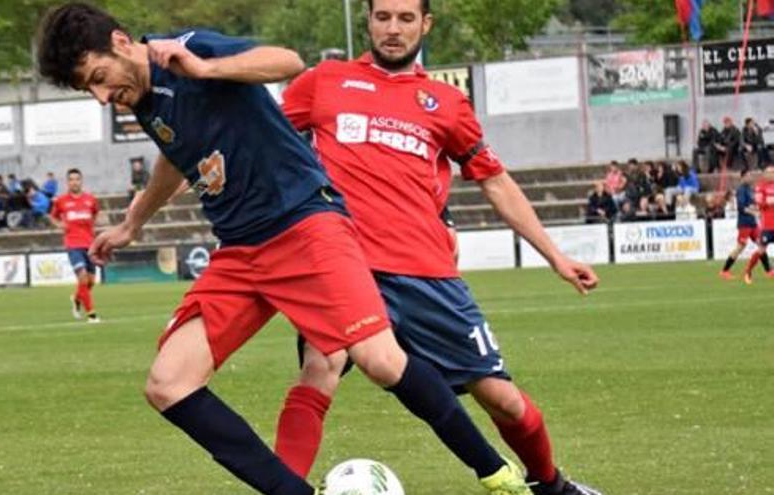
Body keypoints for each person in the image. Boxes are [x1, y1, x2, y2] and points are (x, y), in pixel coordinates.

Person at [37, 3, 531, 494]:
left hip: (305, 225)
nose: (102, 96)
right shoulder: (143, 99)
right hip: (241, 252)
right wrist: (132, 224)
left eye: (99, 76)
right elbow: (175, 154)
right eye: (90, 89)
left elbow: (287, 61)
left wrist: (209, 69)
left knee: (380, 359)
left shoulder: (189, 51)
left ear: (122, 43)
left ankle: (497, 475)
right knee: (168, 383)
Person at [275, 1, 602, 494]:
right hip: (344, 265)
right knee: (320, 366)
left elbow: (493, 180)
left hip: (427, 274)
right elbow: (263, 140)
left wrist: (555, 255)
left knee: (502, 399)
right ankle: (282, 488)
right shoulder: (325, 81)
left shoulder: (444, 102)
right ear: (368, 20)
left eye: (406, 18)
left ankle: (551, 486)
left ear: (425, 25)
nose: (392, 28)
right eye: (383, 16)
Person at [49, 168, 100, 323]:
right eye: (71, 179)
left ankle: (77, 299)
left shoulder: (90, 199)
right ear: (68, 182)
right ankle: (92, 315)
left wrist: (92, 226)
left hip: (90, 244)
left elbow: (96, 213)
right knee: (83, 277)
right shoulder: (61, 201)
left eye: (77, 179)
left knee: (90, 281)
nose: (74, 182)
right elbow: (53, 216)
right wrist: (59, 225)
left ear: (81, 181)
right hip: (73, 244)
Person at [720, 170, 762, 280]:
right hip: (744, 223)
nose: (750, 177)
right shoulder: (741, 190)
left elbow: (752, 203)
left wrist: (756, 208)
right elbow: (741, 207)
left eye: (751, 175)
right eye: (748, 175)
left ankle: (769, 270)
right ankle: (724, 271)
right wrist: (753, 211)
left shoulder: (750, 189)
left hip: (753, 223)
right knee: (740, 247)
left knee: (761, 244)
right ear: (743, 177)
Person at [743, 164, 774, 284]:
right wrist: (769, 202)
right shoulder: (760, 187)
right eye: (769, 172)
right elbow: (759, 204)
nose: (772, 175)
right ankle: (748, 271)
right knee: (761, 250)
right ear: (765, 174)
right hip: (768, 225)